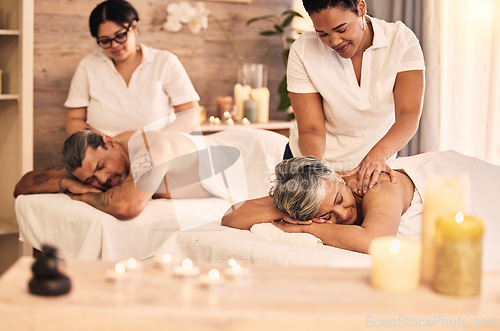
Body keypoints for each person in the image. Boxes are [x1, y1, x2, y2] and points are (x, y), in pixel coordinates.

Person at [222, 152, 500, 254]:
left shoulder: (377, 186)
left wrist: (309, 228)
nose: (343, 214)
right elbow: (231, 216)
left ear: (338, 177)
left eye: (339, 200)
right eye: (326, 216)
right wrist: (288, 207)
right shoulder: (316, 196)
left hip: (473, 181)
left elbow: (375, 241)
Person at [286, 0, 425, 195]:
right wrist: (320, 172)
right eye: (322, 34)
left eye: (341, 29)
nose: (333, 41)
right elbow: (311, 129)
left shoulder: (400, 41)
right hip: (314, 163)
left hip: (372, 168)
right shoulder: (303, 50)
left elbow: (408, 113)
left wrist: (378, 155)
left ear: (361, 8)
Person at [14, 127, 286, 220]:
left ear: (108, 141)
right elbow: (24, 183)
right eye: (90, 180)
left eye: (100, 168)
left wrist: (83, 194)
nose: (101, 181)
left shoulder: (148, 149)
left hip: (264, 157)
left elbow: (126, 206)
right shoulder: (94, 162)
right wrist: (67, 182)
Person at [65, 0, 200, 136]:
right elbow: (74, 119)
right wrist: (105, 144)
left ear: (134, 27)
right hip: (104, 152)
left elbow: (190, 115)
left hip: (156, 150)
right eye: (105, 41)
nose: (115, 45)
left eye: (120, 36)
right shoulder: (88, 66)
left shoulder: (164, 61)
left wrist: (154, 142)